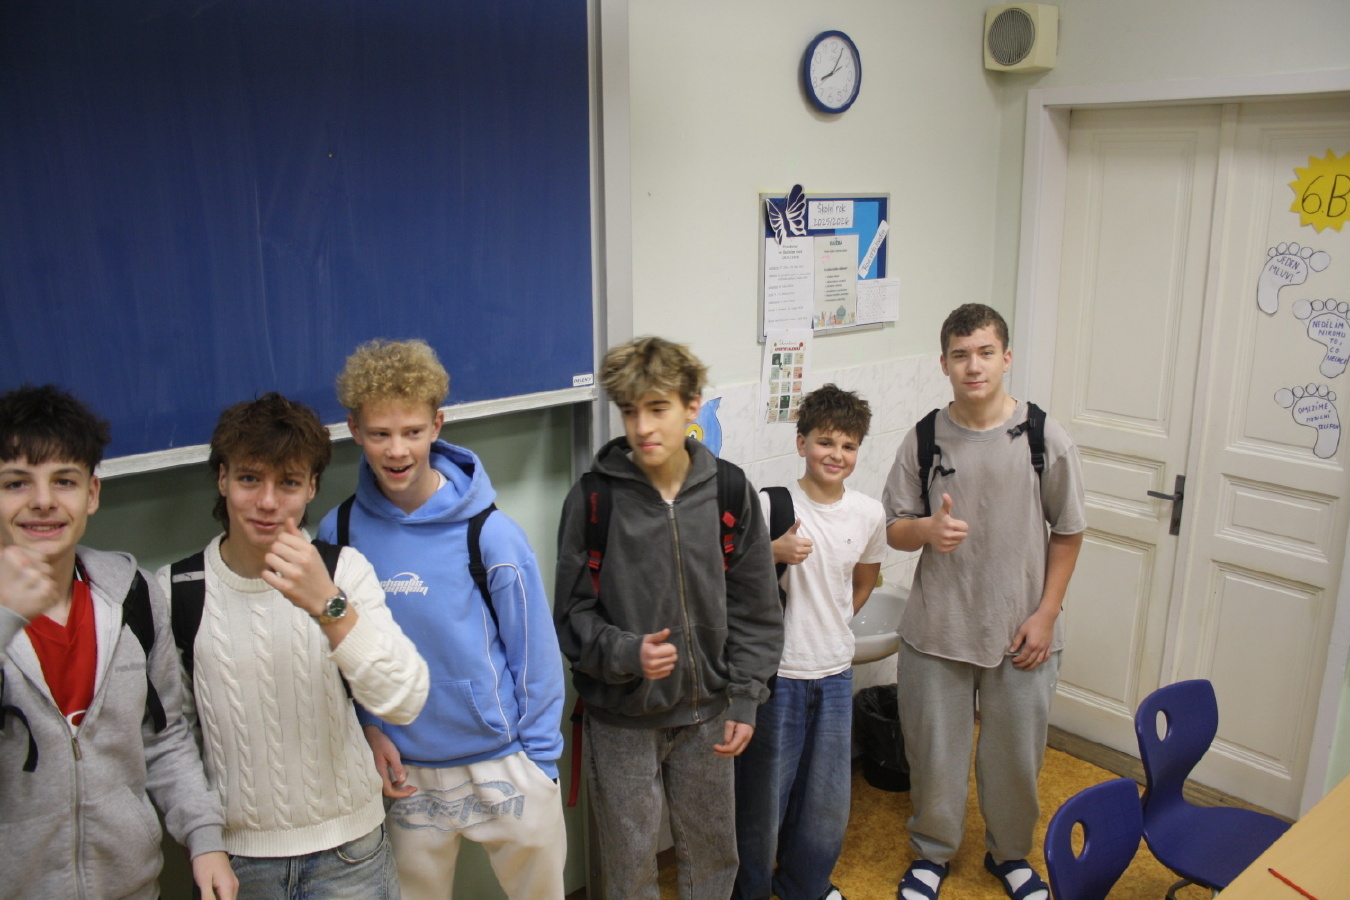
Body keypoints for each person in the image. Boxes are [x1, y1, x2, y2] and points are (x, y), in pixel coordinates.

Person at [317, 339, 567, 900]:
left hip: (504, 760)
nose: (396, 449)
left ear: (437, 425)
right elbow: (338, 650)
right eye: (379, 433)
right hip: (402, 768)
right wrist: (368, 728)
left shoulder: (490, 533)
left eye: (412, 431)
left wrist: (540, 761)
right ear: (354, 430)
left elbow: (535, 653)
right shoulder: (340, 532)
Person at [159, 392, 428, 899]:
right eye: (249, 479)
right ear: (222, 479)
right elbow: (171, 739)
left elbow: (404, 699)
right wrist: (203, 840)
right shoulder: (177, 590)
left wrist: (329, 606)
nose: (267, 502)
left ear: (311, 488)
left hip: (350, 856)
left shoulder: (343, 571)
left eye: (287, 483)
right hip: (236, 861)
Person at [554, 335, 783, 900]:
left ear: (692, 405)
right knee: (628, 867)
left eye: (657, 408)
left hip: (710, 713)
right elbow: (572, 614)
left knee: (713, 856)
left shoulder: (729, 490)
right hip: (621, 717)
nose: (643, 427)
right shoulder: (593, 500)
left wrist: (746, 696)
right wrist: (627, 652)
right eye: (630, 411)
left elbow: (757, 607)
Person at [0, 384, 237, 900]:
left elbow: (165, 737)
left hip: (131, 885)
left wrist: (204, 838)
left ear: (91, 494)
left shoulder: (132, 594)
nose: (43, 501)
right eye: (16, 483)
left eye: (64, 481)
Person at [882, 304, 1085, 900]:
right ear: (944, 363)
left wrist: (1046, 614)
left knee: (1016, 758)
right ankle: (932, 852)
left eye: (986, 353)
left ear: (1006, 358)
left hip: (1022, 631)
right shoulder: (924, 438)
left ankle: (1011, 854)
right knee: (933, 755)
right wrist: (926, 531)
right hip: (938, 629)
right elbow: (894, 528)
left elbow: (1069, 531)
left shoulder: (1044, 437)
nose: (974, 366)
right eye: (961, 355)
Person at [732, 384, 888, 900]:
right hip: (778, 676)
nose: (836, 455)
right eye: (825, 442)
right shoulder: (770, 504)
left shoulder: (868, 513)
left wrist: (835, 621)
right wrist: (772, 552)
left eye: (848, 445)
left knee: (826, 799)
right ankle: (751, 890)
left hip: (836, 671)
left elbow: (865, 578)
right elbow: (729, 579)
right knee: (763, 799)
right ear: (801, 443)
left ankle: (805, 884)